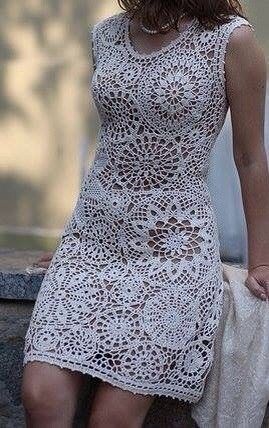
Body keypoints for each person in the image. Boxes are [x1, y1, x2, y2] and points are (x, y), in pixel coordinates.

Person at [21, 1, 269, 427]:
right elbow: (112, 146)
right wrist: (72, 244)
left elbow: (249, 157)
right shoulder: (106, 35)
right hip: (91, 243)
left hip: (172, 248)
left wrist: (261, 259)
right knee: (41, 397)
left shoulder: (233, 39)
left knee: (112, 420)